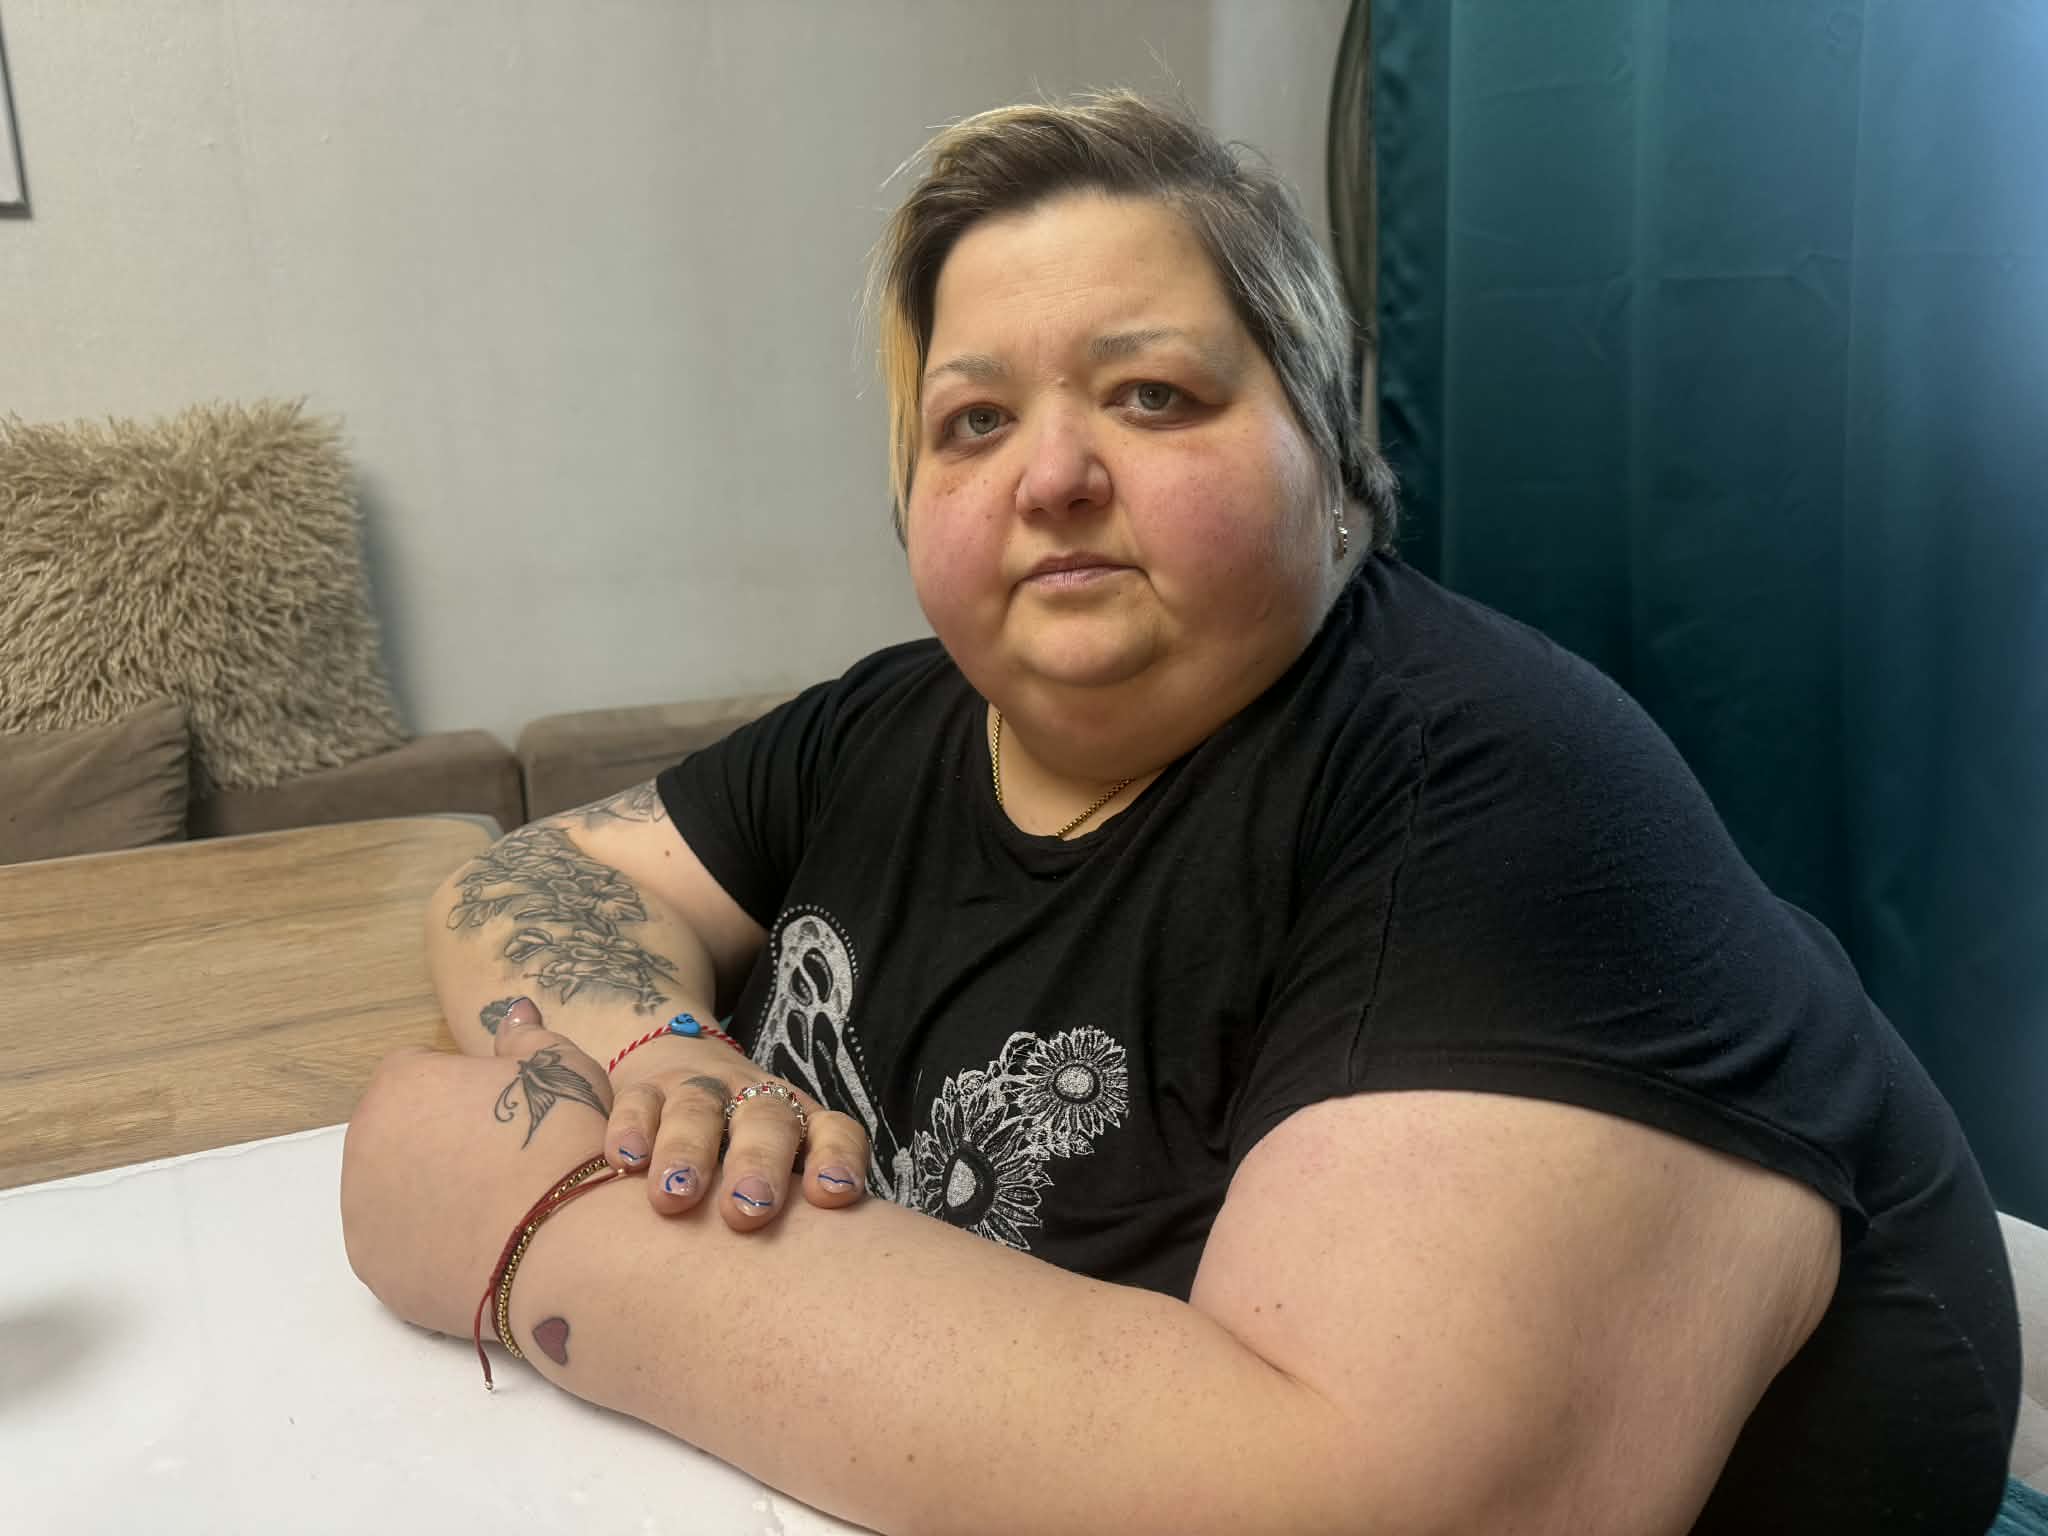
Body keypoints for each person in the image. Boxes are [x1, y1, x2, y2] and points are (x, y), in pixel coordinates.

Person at [340, 92, 2020, 1534]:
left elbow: (1360, 1500)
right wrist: (663, 1059)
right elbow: (552, 874)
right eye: (973, 420)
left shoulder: (1497, 788)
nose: (1051, 474)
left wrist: (537, 1217)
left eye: (1152, 395)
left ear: (1336, 465)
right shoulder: (893, 720)